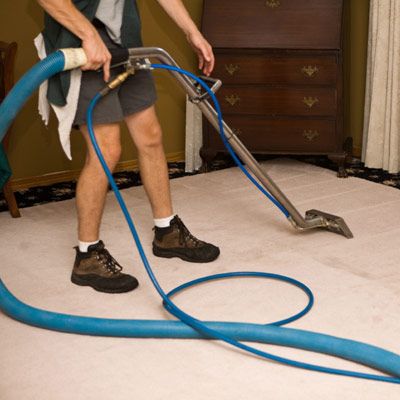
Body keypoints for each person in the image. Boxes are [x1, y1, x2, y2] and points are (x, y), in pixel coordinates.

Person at [36, 0, 220, 294]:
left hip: (125, 42)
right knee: (106, 151)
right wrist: (88, 34)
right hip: (83, 46)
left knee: (150, 136)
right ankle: (87, 256)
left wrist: (191, 32)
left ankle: (167, 231)